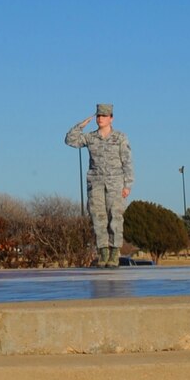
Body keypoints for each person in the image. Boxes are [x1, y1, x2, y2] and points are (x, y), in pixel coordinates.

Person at [65, 104, 134, 266]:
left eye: (104, 116)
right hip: (95, 183)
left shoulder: (120, 137)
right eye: (98, 116)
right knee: (98, 218)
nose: (100, 118)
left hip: (115, 183)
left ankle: (115, 252)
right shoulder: (90, 137)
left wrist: (127, 184)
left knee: (115, 217)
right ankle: (103, 252)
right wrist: (82, 124)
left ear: (111, 118)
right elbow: (70, 140)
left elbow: (127, 161)